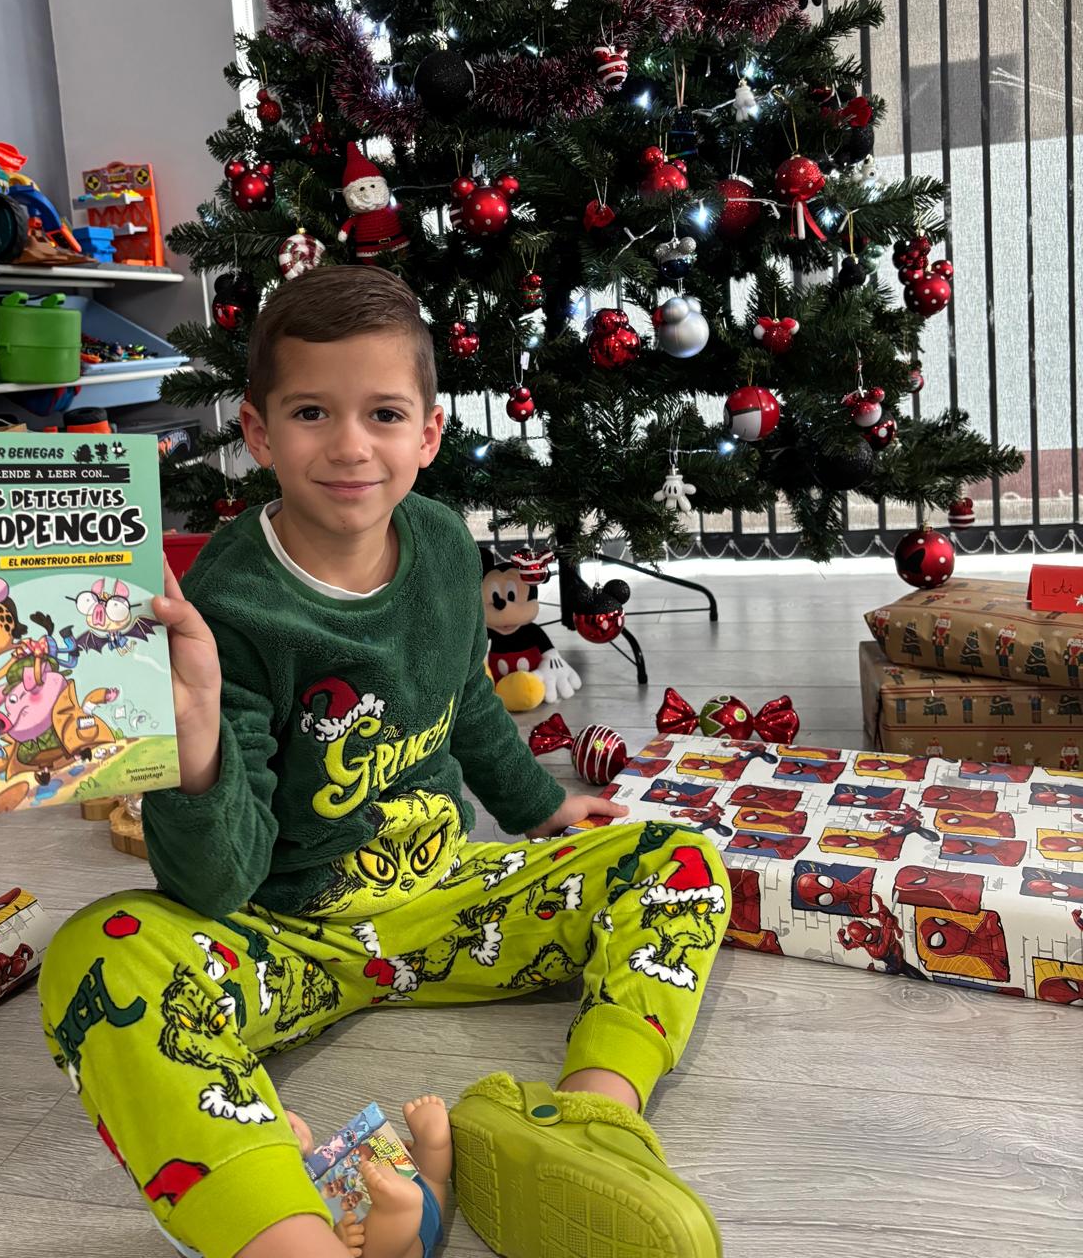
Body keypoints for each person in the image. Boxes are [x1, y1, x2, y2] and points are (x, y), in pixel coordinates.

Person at [38, 266, 729, 1258]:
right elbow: (214, 882)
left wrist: (541, 810)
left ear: (428, 434)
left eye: (384, 413)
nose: (351, 446)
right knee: (94, 955)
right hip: (284, 936)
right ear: (260, 431)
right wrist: (190, 760)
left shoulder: (445, 544)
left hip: (441, 902)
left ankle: (587, 1125)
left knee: (678, 858)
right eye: (313, 411)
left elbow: (465, 705)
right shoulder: (229, 606)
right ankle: (292, 1237)